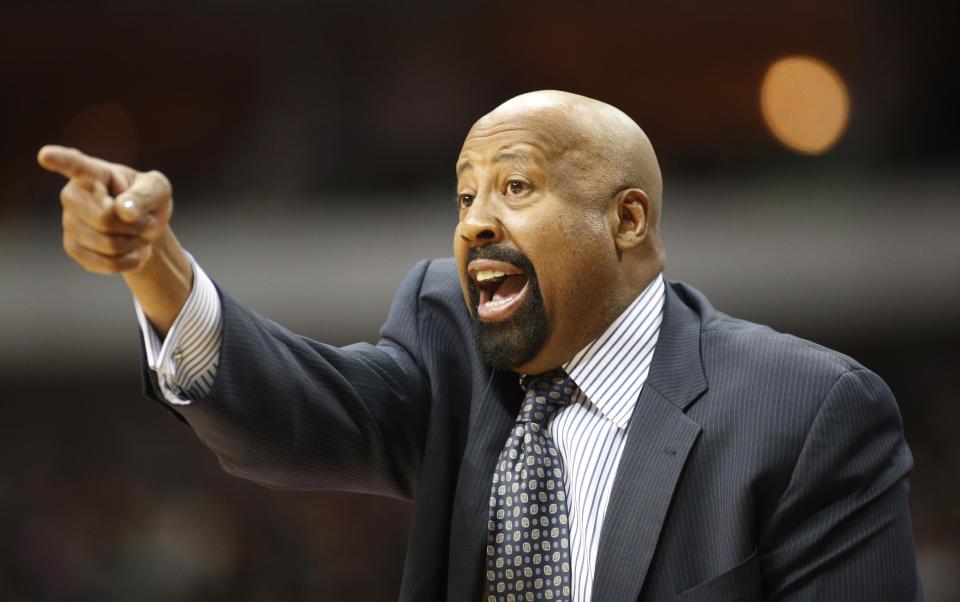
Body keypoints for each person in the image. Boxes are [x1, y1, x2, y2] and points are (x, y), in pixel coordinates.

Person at [38, 90, 921, 601]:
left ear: (627, 219)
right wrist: (155, 267)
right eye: (464, 197)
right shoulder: (450, 353)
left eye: (515, 185)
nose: (475, 222)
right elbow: (285, 411)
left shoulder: (806, 411)